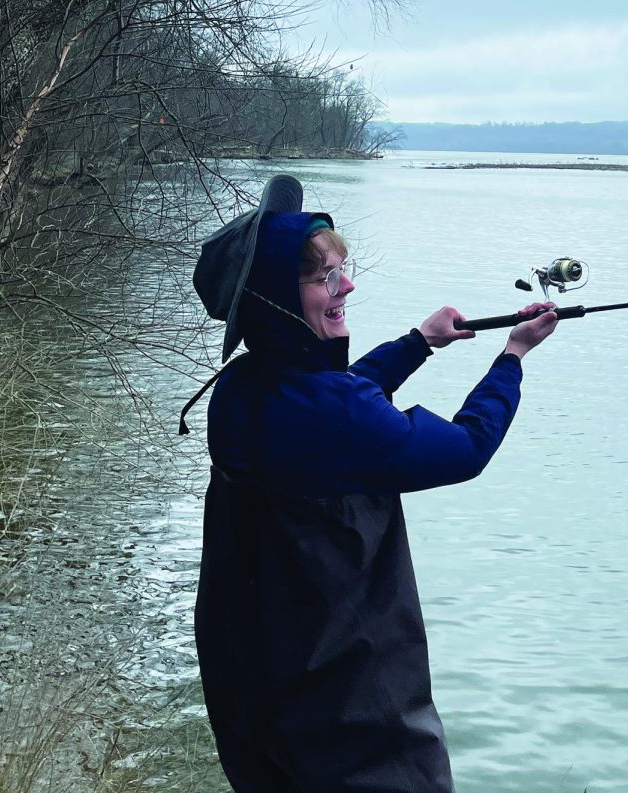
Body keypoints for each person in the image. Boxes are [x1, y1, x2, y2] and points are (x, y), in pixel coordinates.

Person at [185, 174, 558, 792]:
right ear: (274, 296)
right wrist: (512, 356)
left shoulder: (241, 388)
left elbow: (335, 404)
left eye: (342, 269)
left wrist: (419, 344)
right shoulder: (330, 414)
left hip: (257, 694)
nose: (347, 285)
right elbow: (467, 447)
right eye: (322, 276)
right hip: (351, 717)